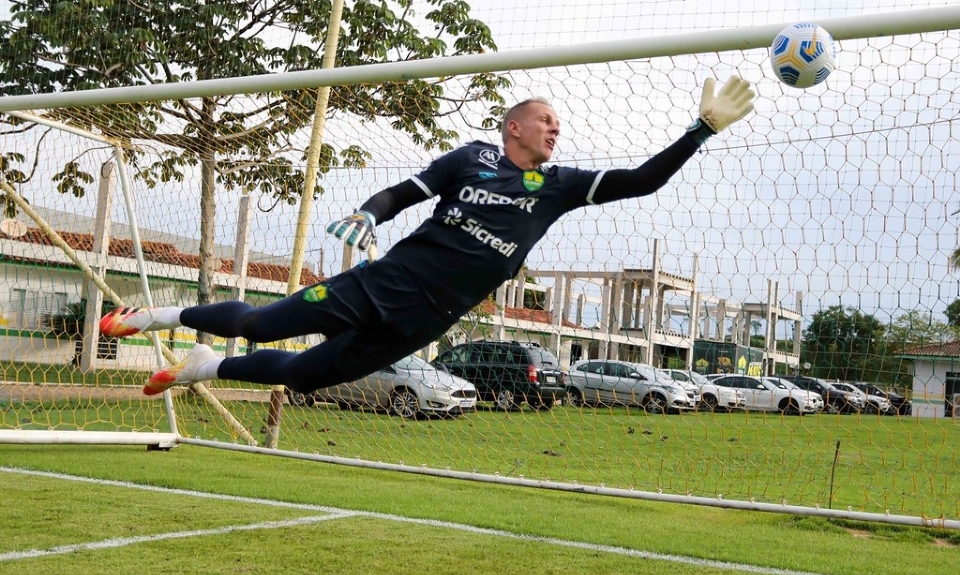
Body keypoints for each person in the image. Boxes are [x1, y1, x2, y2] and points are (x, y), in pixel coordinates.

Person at [100, 77, 755, 396]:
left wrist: (700, 130)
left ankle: (204, 366)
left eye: (559, 126)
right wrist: (369, 215)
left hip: (428, 318)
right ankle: (151, 314)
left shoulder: (559, 187)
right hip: (383, 283)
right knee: (266, 325)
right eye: (546, 122)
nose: (556, 132)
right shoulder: (470, 159)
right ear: (515, 128)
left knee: (303, 376)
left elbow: (641, 180)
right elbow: (401, 194)